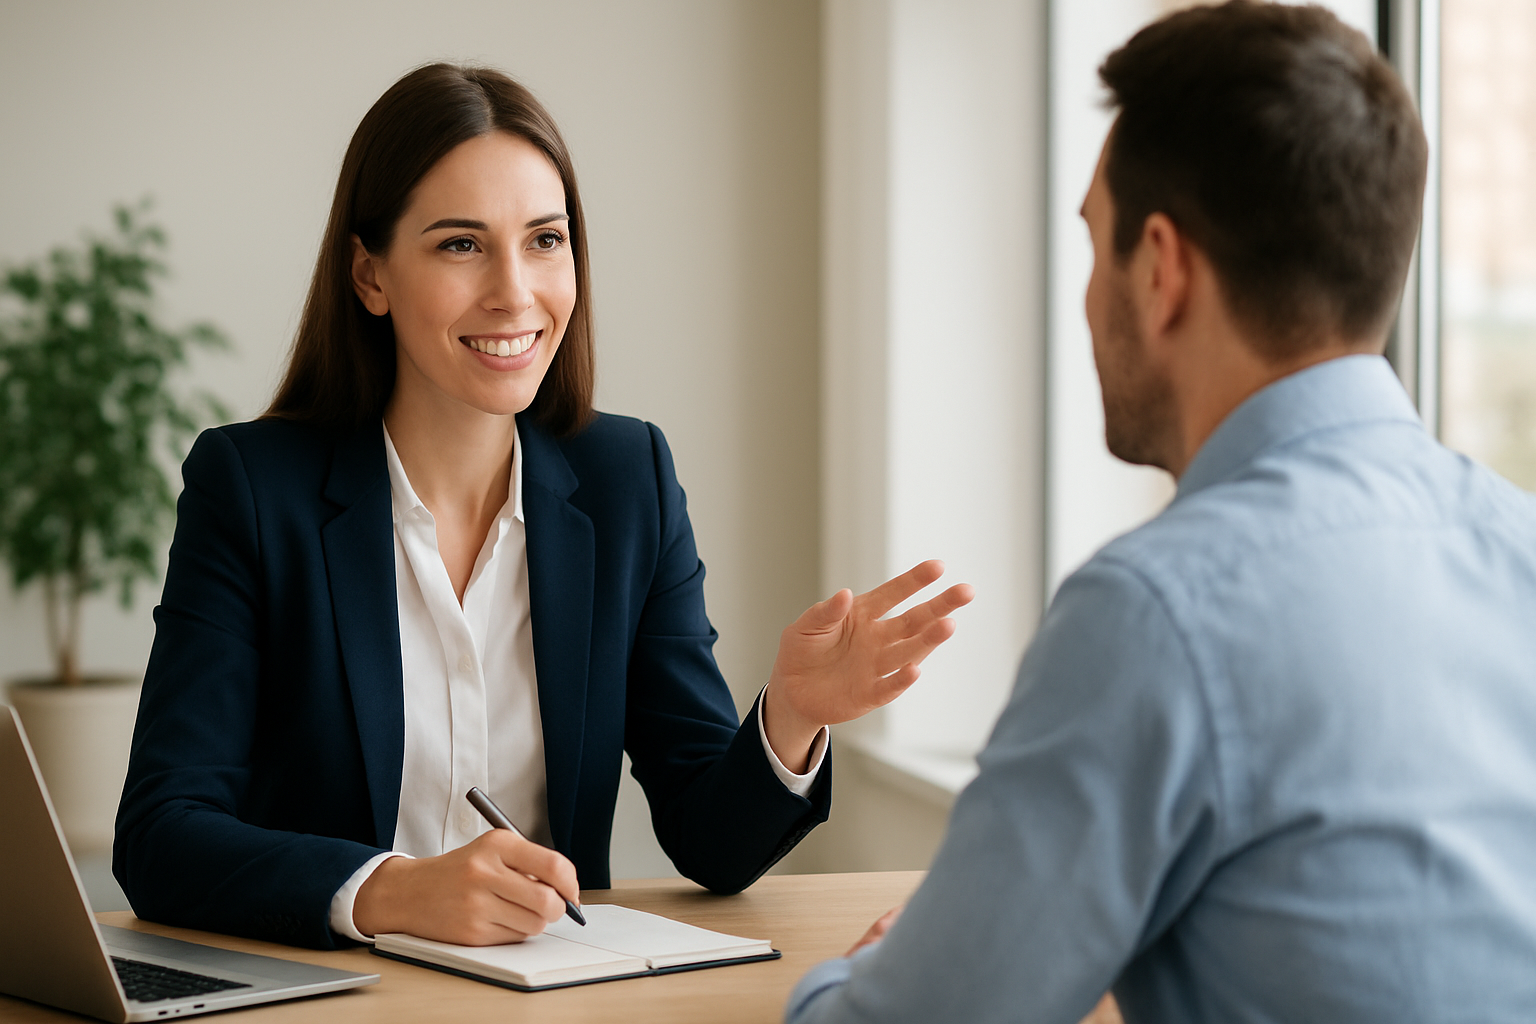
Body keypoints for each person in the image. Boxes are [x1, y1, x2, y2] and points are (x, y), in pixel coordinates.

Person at [112, 63, 973, 952]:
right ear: (370, 277)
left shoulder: (626, 477)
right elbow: (163, 834)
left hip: (552, 995)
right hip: (336, 999)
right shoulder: (253, 488)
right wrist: (397, 892)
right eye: (460, 245)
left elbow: (711, 841)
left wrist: (789, 716)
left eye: (545, 240)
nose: (515, 293)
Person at [786, 3, 1536, 1022]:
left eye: (1096, 247)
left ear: (1163, 268)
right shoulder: (1517, 546)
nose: (1091, 299)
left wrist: (868, 970)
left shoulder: (1156, 612)